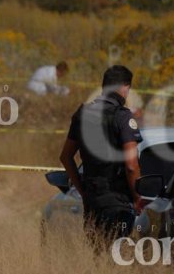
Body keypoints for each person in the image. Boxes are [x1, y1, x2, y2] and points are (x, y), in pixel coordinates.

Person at [59, 65, 143, 247]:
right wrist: (138, 199)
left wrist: (82, 190)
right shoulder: (123, 117)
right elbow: (131, 165)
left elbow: (65, 157)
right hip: (118, 202)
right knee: (118, 259)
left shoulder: (82, 114)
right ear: (125, 87)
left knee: (99, 258)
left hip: (92, 200)